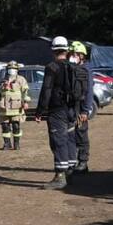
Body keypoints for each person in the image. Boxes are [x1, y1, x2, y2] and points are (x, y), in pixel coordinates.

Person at [36, 36, 78, 190]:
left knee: (58, 141)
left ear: (53, 50)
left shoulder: (52, 67)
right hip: (72, 109)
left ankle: (60, 176)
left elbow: (46, 90)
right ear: (66, 50)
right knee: (70, 139)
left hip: (57, 110)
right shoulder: (73, 67)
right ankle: (71, 172)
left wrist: (40, 110)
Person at [69, 41, 93, 174]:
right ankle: (74, 162)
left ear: (82, 56)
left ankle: (83, 162)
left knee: (81, 133)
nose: (73, 56)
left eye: (75, 54)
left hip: (81, 107)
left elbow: (89, 91)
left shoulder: (86, 69)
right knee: (71, 134)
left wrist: (85, 110)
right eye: (71, 54)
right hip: (71, 107)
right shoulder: (71, 68)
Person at [0, 60, 30, 150]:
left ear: (17, 69)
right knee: (5, 126)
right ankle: (7, 144)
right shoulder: (3, 80)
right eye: (10, 68)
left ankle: (16, 143)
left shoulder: (21, 79)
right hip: (4, 107)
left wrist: (25, 102)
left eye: (14, 69)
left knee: (16, 125)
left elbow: (25, 92)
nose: (12, 70)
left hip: (16, 107)